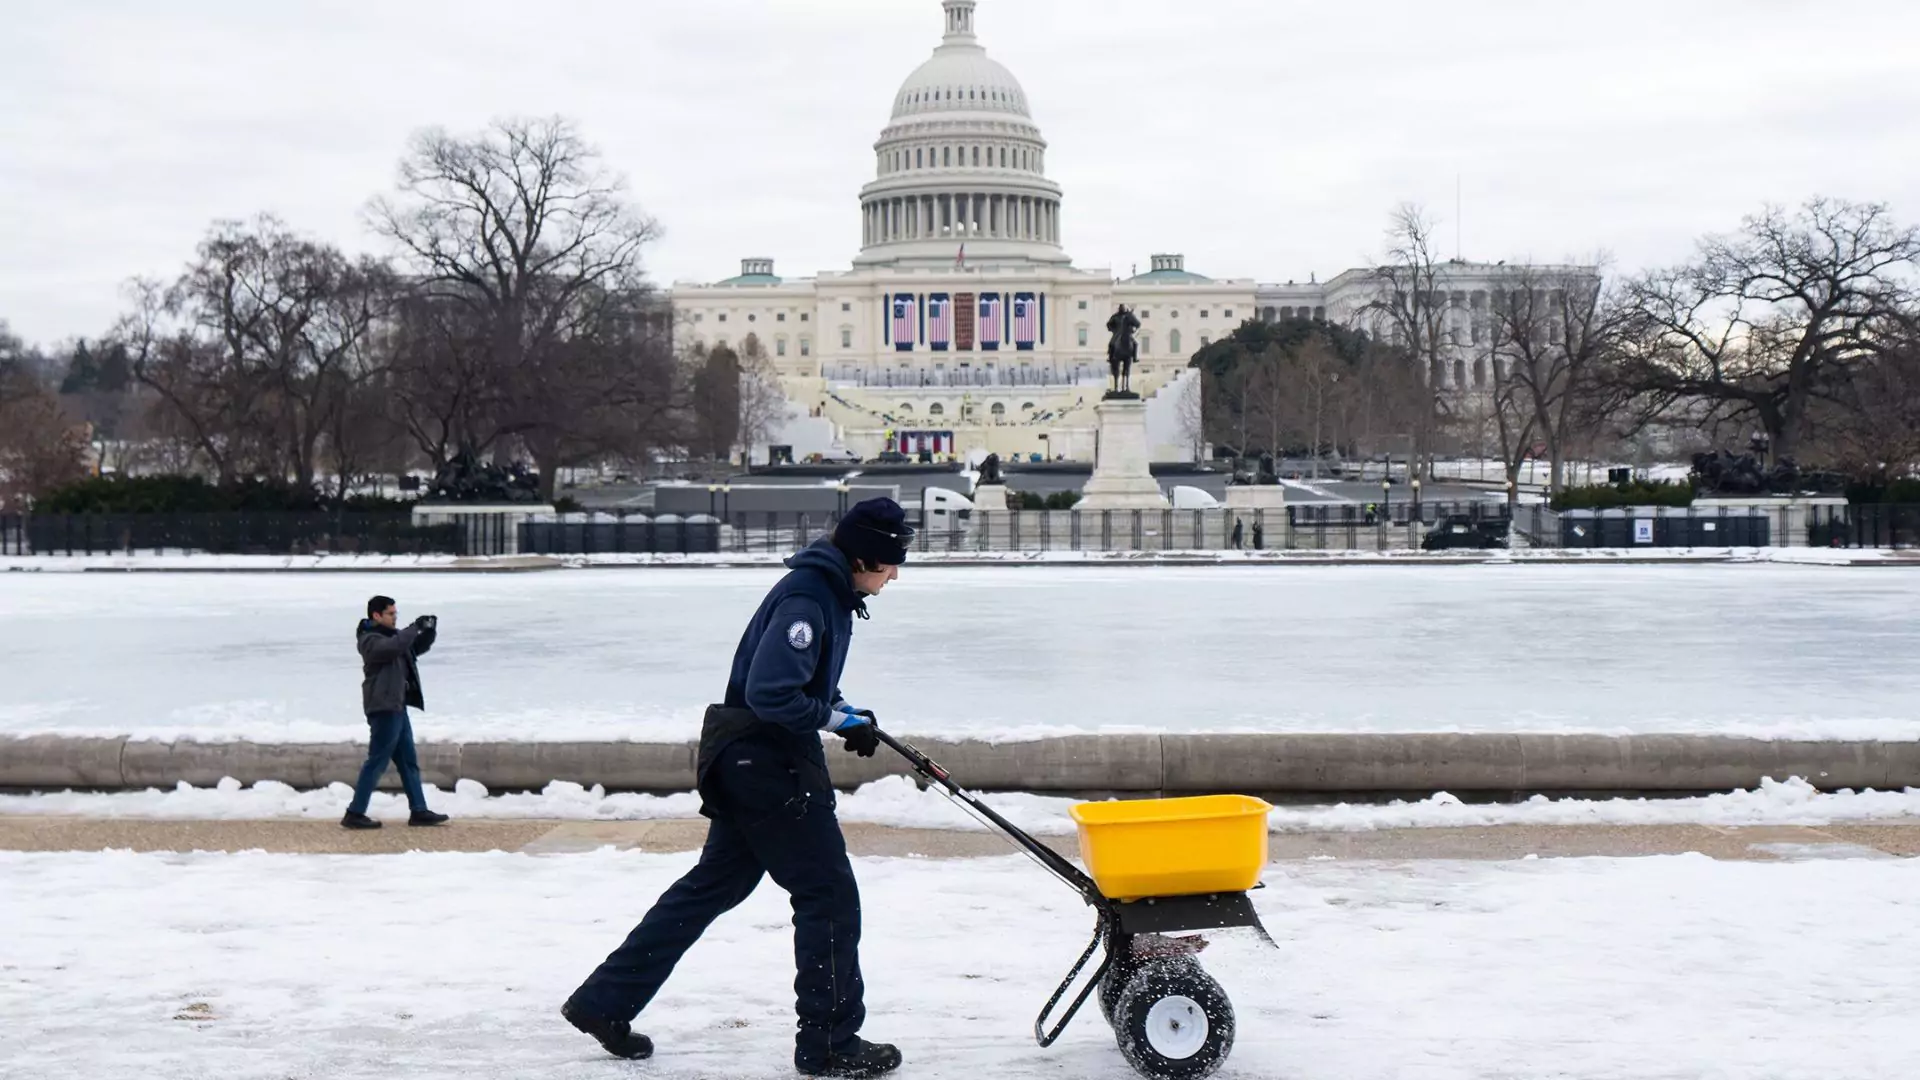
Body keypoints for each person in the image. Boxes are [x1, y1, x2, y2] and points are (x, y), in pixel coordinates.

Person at [562, 498, 913, 1078]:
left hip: (748, 759)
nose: (894, 574)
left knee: (710, 887)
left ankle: (604, 1002)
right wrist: (832, 720)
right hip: (768, 764)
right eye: (890, 563)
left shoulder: (827, 590)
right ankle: (828, 1043)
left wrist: (844, 710)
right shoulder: (809, 597)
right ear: (863, 555)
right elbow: (772, 694)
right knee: (827, 895)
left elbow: (798, 683)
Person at [341, 595, 449, 830]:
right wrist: (414, 628)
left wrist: (428, 632)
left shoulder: (393, 638)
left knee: (408, 761)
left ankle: (419, 811)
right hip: (383, 708)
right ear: (376, 615)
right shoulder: (369, 640)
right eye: (390, 614)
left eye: (395, 614)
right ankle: (354, 813)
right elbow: (392, 648)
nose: (394, 617)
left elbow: (411, 649)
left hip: (397, 707)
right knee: (377, 762)